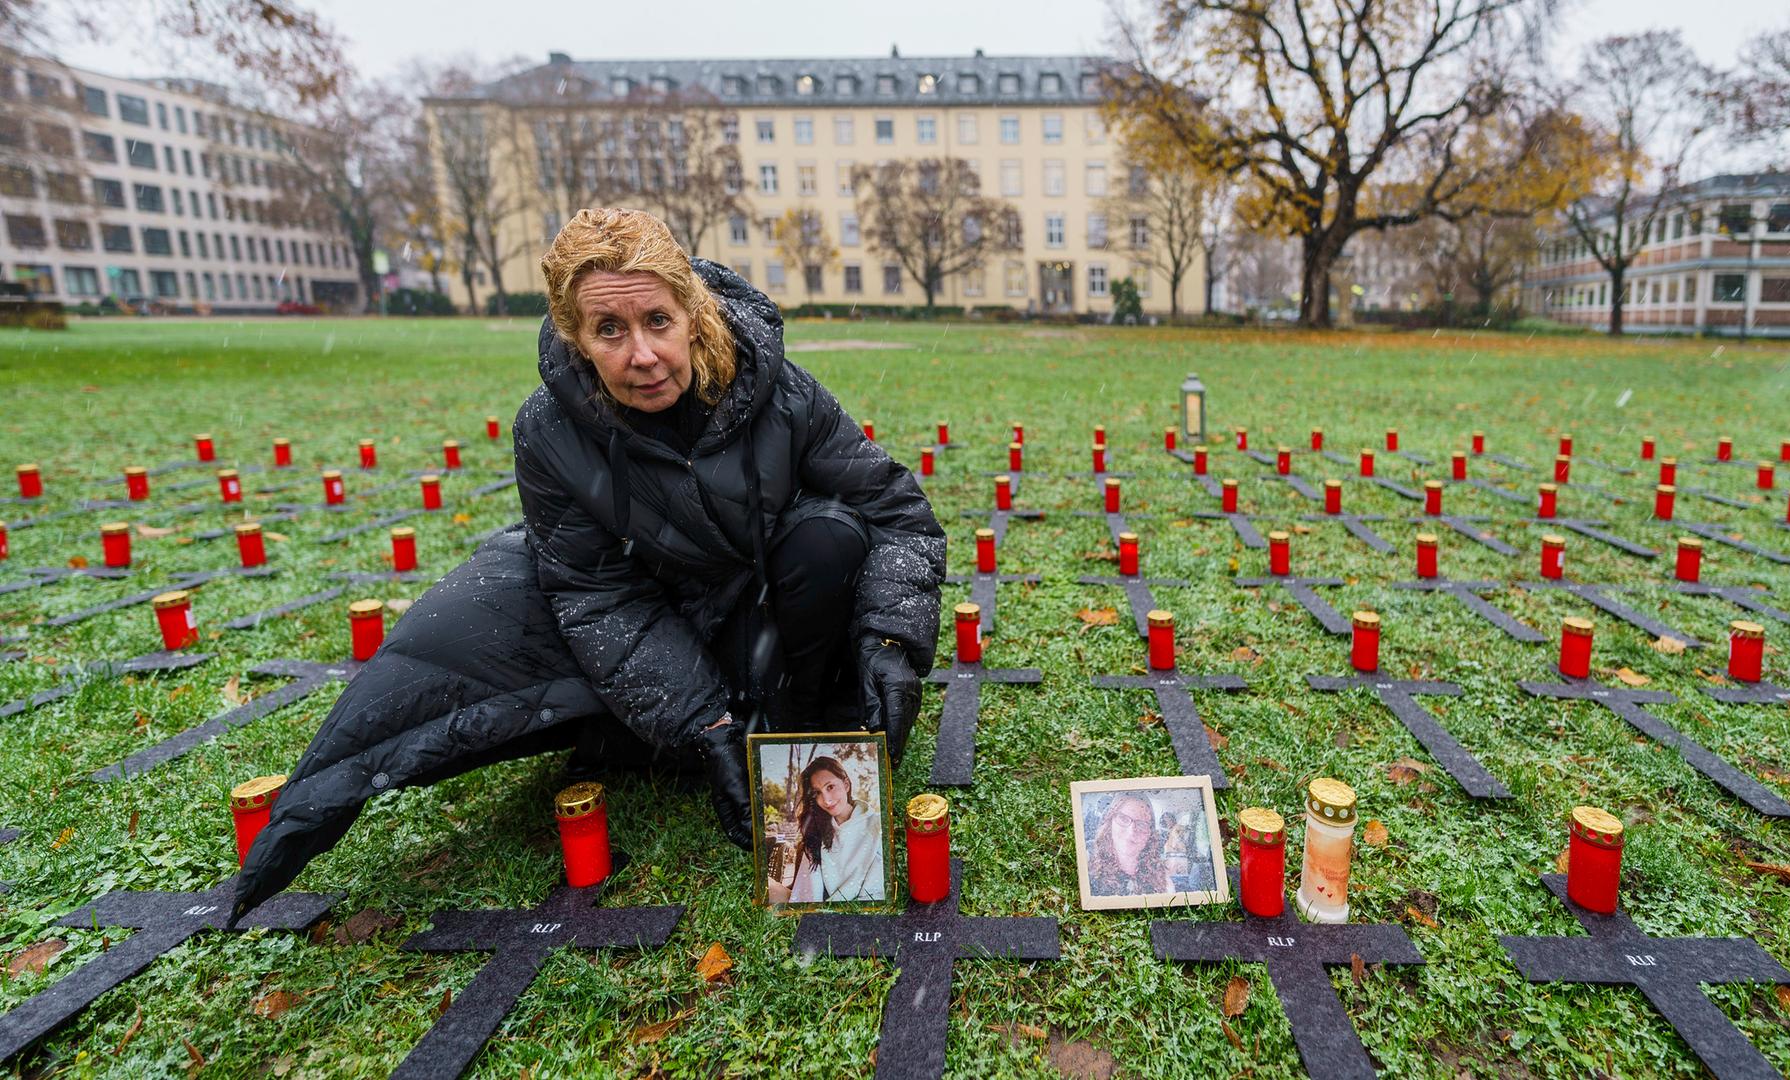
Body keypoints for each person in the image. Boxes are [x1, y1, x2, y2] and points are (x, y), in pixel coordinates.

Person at [227, 208, 945, 917]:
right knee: (490, 632)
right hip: (668, 622)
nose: (642, 356)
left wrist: (889, 643)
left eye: (658, 321)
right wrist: (707, 727)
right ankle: (710, 725)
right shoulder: (548, 432)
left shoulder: (780, 389)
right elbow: (596, 595)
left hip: (779, 618)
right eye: (610, 330)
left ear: (691, 312)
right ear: (575, 336)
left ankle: (796, 715)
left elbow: (895, 511)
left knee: (830, 537)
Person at [765, 755, 885, 904]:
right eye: (817, 793)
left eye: (830, 787)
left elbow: (874, 894)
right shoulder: (816, 830)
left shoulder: (877, 825)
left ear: (846, 784)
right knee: (766, 885)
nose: (827, 800)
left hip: (853, 910)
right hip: (816, 904)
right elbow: (806, 892)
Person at [1086, 795, 1171, 897]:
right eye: (1123, 819)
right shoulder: (1087, 871)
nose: (1131, 831)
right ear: (1110, 823)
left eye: (1141, 824)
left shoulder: (1164, 883)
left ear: (1150, 834)